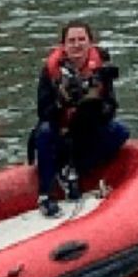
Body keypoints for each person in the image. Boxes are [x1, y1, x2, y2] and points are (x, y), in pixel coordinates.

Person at [31, 21, 128, 218]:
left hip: (86, 129)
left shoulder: (100, 69)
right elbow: (43, 112)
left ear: (90, 43)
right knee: (44, 132)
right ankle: (46, 194)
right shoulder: (51, 72)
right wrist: (62, 101)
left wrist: (94, 101)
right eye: (71, 41)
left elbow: (111, 108)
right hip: (59, 129)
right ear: (63, 46)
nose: (77, 45)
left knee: (120, 132)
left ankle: (74, 169)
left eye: (81, 40)